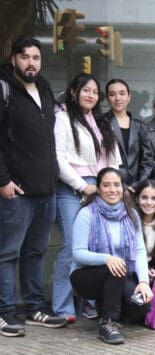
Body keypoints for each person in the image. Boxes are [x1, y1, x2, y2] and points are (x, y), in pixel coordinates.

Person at [0, 38, 67, 337]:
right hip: (17, 191)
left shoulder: (44, 88)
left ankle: (34, 308)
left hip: (46, 189)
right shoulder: (4, 89)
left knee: (36, 252)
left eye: (36, 57)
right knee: (7, 254)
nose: (31, 63)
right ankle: (4, 312)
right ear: (13, 59)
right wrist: (3, 181)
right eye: (25, 57)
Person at [53, 73, 121, 322]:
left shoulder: (101, 122)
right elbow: (58, 158)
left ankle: (90, 304)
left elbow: (112, 161)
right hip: (72, 189)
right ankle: (62, 308)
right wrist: (83, 186)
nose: (91, 95)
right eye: (85, 90)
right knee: (73, 247)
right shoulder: (62, 117)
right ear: (74, 92)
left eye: (94, 91)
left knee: (97, 247)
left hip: (101, 190)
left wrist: (112, 186)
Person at [70, 167, 153, 344]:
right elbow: (78, 253)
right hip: (86, 276)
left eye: (116, 185)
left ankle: (107, 306)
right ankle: (107, 323)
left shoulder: (131, 214)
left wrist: (144, 282)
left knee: (142, 306)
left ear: (123, 188)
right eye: (106, 185)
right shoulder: (87, 214)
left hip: (118, 276)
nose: (112, 190)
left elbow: (139, 251)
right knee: (115, 268)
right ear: (98, 189)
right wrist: (106, 258)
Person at [104, 79, 147, 190]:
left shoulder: (140, 126)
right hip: (110, 186)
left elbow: (147, 160)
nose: (118, 98)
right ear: (107, 98)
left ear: (129, 97)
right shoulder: (100, 123)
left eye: (122, 94)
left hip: (136, 187)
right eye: (112, 94)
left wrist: (137, 185)